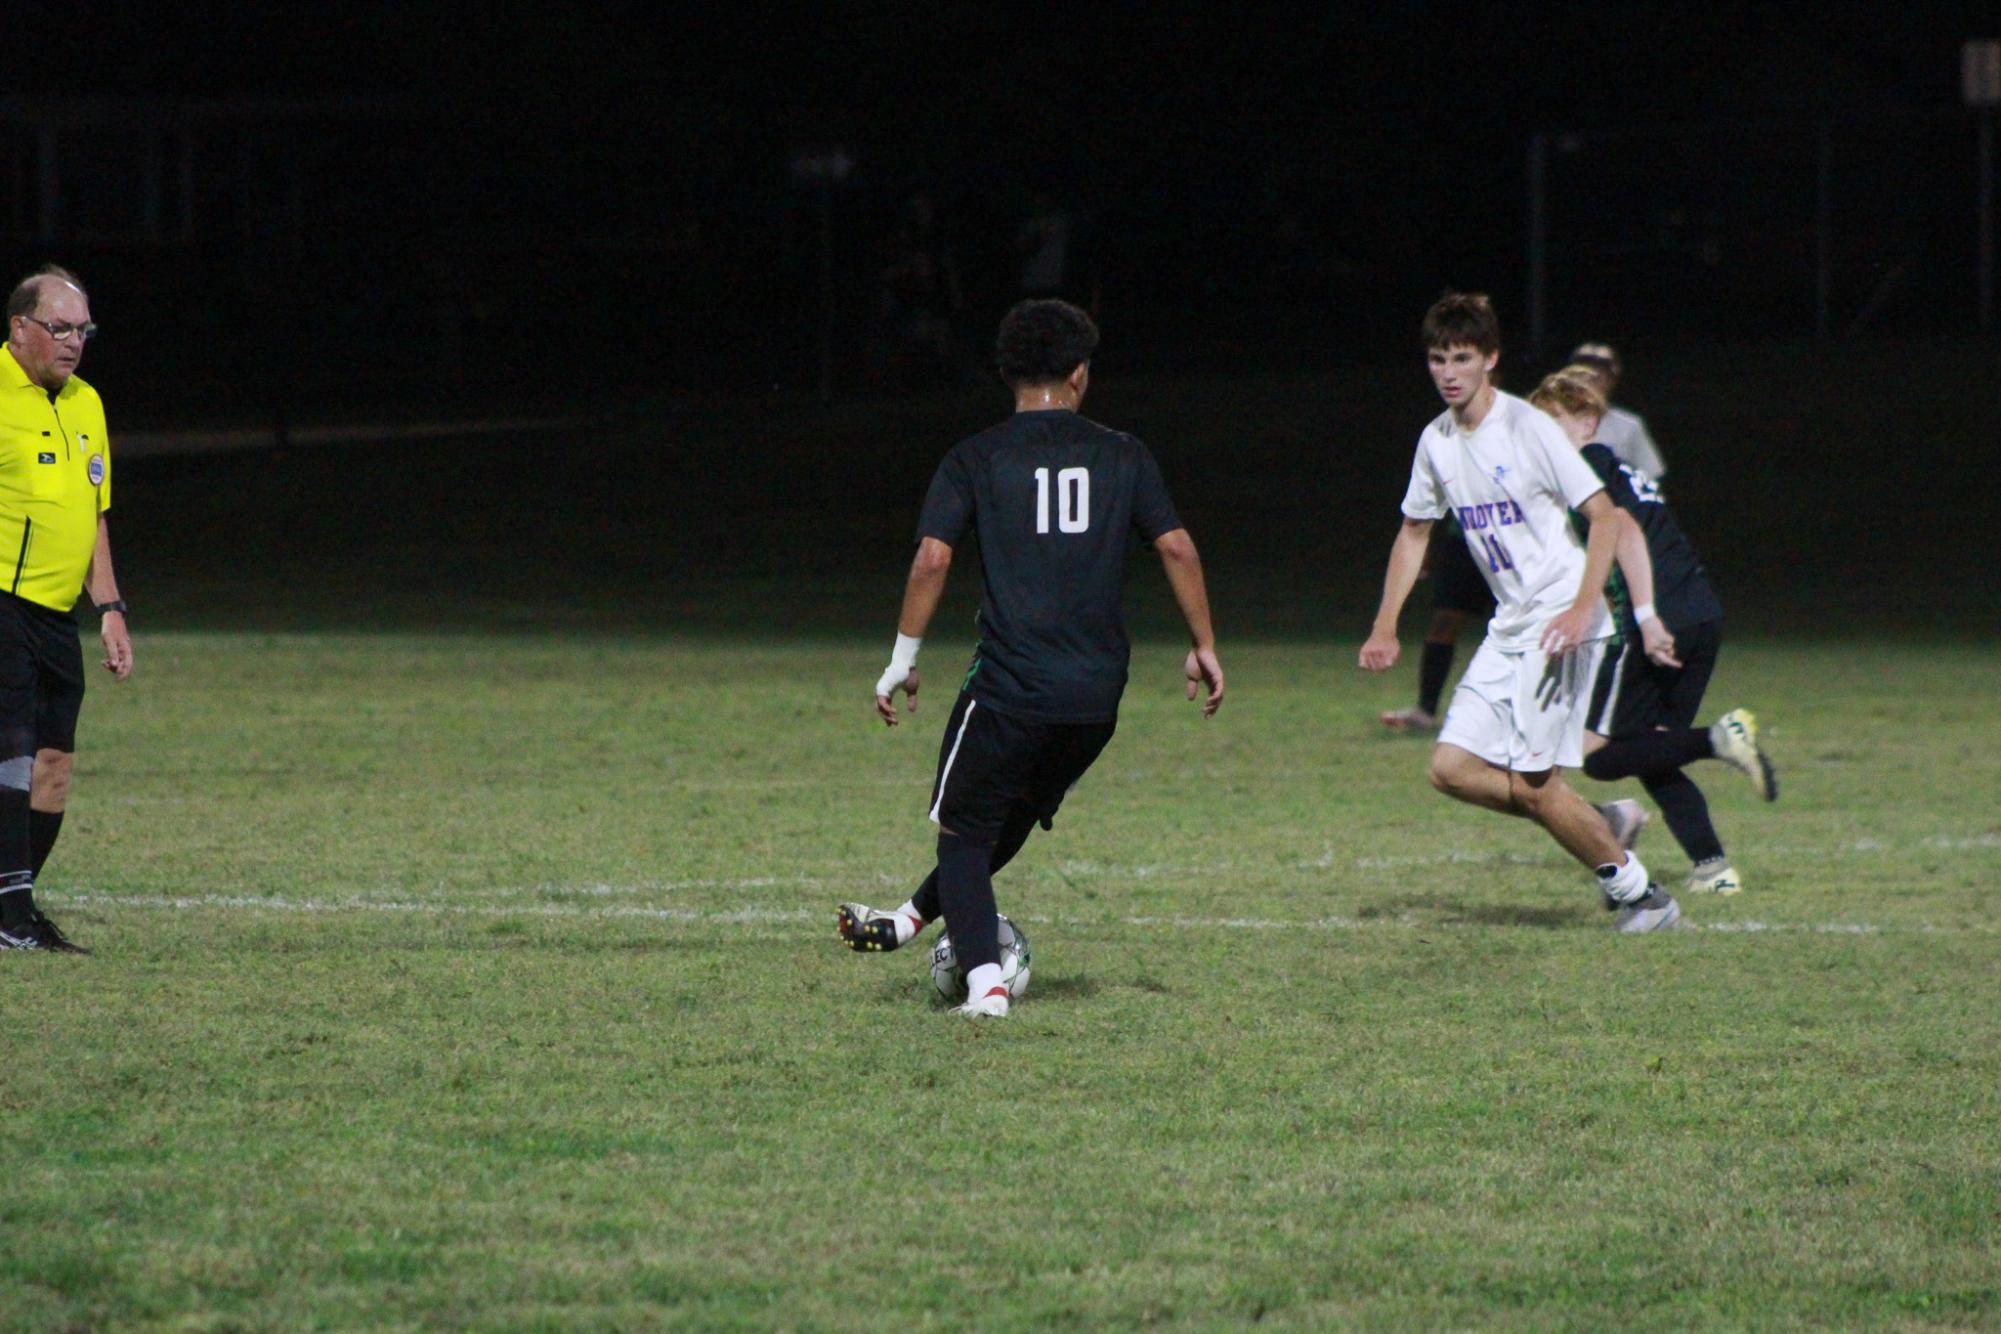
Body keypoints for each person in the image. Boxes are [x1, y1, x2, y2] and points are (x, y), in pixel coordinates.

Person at [840, 299, 1225, 1016]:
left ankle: (984, 987)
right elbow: (1175, 545)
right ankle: (906, 920)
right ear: (1079, 373)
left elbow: (931, 558)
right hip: (1096, 698)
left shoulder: (976, 457)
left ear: (1004, 373)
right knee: (1006, 819)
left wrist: (903, 658)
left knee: (963, 832)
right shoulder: (1123, 453)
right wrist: (1202, 644)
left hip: (1012, 687)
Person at [1359, 292, 1679, 933]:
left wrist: (1582, 610)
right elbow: (1414, 532)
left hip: (1562, 621)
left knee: (1535, 786)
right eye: (1436, 359)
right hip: (1512, 626)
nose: (1448, 371)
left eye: (1461, 358)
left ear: (1490, 361)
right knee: (1449, 769)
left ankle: (1645, 898)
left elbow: (1605, 517)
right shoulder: (1437, 442)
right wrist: (1385, 622)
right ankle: (1602, 820)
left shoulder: (1527, 428)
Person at [1527, 367, 1776, 895]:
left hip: (1658, 616)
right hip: (1700, 610)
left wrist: (1645, 616)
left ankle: (1716, 740)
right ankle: (1714, 868)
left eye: (1553, 423)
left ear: (1588, 423)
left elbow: (1621, 527)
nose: (1543, 437)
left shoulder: (1588, 466)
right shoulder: (1613, 466)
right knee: (1658, 751)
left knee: (1594, 753)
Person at [0, 265, 133, 953]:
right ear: (19, 328)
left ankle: (14, 901)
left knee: (53, 764)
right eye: (58, 328)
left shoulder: (86, 403)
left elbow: (94, 514)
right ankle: (12, 918)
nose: (73, 341)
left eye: (82, 329)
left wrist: (108, 605)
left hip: (56, 614)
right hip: (2, 601)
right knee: (12, 755)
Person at [1377, 516, 1494, 732]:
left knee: (1525, 624)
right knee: (1444, 624)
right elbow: (1432, 506)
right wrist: (1424, 548)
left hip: (1520, 540)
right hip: (1465, 540)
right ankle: (1425, 710)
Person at [1570, 342, 1667, 480]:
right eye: (1582, 373)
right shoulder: (1552, 423)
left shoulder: (1629, 426)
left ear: (1611, 381)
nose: (1589, 379)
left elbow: (1649, 478)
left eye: (1598, 375)